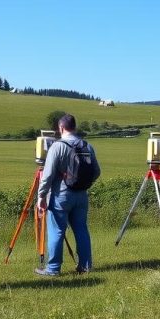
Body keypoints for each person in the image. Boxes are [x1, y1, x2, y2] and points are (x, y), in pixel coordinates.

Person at [34, 113, 101, 276]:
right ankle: (85, 265)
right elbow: (97, 172)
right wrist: (84, 184)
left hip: (61, 196)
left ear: (61, 128)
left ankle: (53, 268)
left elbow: (48, 175)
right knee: (81, 229)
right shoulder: (87, 146)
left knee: (57, 230)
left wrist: (41, 196)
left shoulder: (57, 146)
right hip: (82, 195)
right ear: (74, 127)